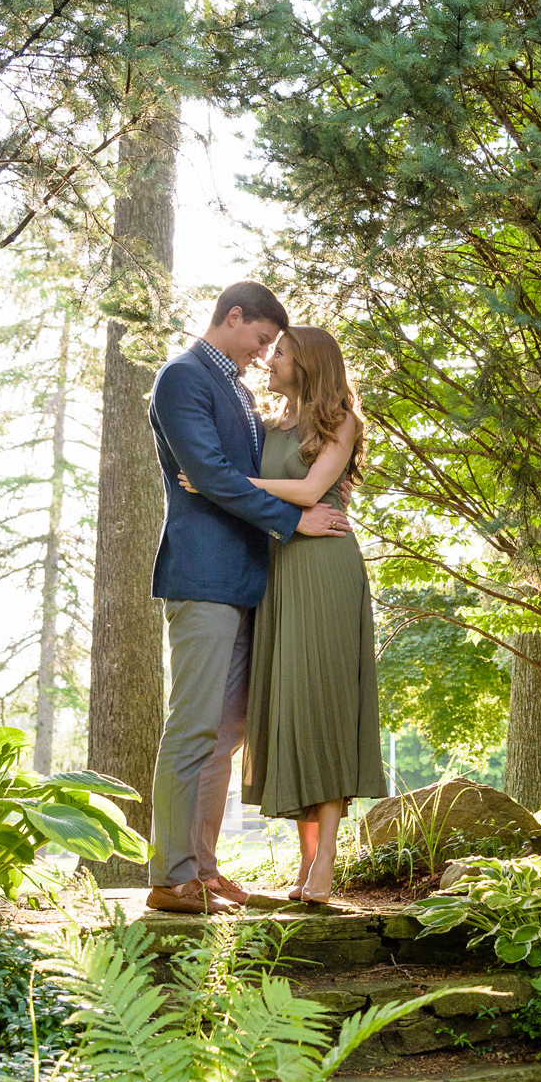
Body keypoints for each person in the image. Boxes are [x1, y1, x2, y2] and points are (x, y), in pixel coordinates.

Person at [145, 282, 349, 915]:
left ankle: (202, 872)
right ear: (233, 318)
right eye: (262, 339)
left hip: (247, 581)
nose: (265, 354)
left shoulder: (232, 384)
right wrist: (295, 521)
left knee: (224, 734)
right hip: (203, 577)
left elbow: (264, 467)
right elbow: (206, 475)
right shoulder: (182, 377)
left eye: (273, 347)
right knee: (191, 727)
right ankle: (170, 875)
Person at [182, 325, 384, 906]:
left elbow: (312, 489)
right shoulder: (268, 427)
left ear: (309, 362)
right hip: (278, 574)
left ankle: (327, 862)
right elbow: (271, 501)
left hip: (325, 569)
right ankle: (305, 863)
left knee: (325, 704)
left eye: (282, 351)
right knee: (293, 710)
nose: (271, 359)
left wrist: (222, 482)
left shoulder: (341, 421)